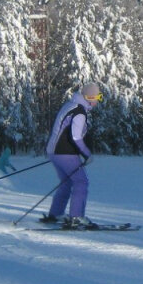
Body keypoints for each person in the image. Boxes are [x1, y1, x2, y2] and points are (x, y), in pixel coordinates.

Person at [40, 82, 103, 229]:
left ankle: (55, 214)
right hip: (65, 152)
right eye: (97, 97)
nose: (98, 101)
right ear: (89, 97)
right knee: (81, 182)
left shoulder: (71, 105)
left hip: (54, 151)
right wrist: (87, 154)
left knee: (67, 182)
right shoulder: (79, 112)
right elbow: (76, 137)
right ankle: (76, 217)